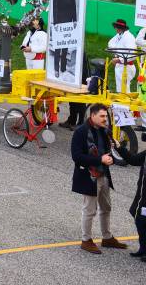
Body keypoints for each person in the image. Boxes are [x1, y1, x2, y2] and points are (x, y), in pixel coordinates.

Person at [70, 103, 129, 254]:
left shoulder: (104, 131)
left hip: (103, 175)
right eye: (102, 116)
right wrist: (100, 160)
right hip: (89, 176)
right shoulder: (81, 132)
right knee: (89, 210)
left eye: (106, 116)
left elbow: (106, 152)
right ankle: (86, 240)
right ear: (93, 115)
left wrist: (111, 156)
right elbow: (76, 157)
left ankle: (107, 237)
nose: (105, 119)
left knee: (106, 207)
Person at [114, 138, 146, 262]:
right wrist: (119, 147)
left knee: (142, 220)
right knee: (137, 215)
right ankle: (143, 248)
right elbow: (133, 160)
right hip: (141, 195)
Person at [51, 0, 78, 79]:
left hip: (68, 20)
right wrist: (55, 22)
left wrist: (75, 20)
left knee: (65, 46)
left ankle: (63, 68)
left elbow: (73, 4)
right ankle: (56, 69)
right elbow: (55, 4)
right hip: (59, 21)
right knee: (58, 46)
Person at [109, 19, 136, 93]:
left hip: (126, 67)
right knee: (121, 89)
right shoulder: (119, 35)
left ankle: (125, 104)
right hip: (121, 66)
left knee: (124, 90)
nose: (116, 29)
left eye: (118, 27)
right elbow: (110, 44)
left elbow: (133, 54)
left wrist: (119, 59)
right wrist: (117, 55)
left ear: (122, 28)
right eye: (116, 27)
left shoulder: (129, 37)